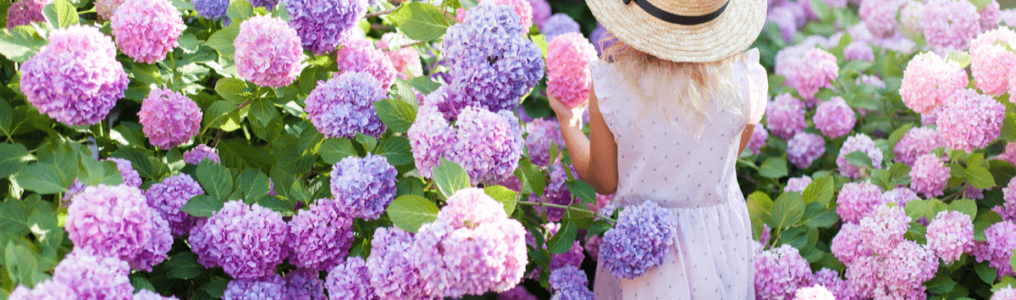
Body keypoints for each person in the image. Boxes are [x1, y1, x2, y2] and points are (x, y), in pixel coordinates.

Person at [546, 0, 768, 298]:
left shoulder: (612, 84)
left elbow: (603, 180)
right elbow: (728, 158)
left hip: (642, 251)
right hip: (717, 243)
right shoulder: (744, 79)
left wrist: (569, 124)